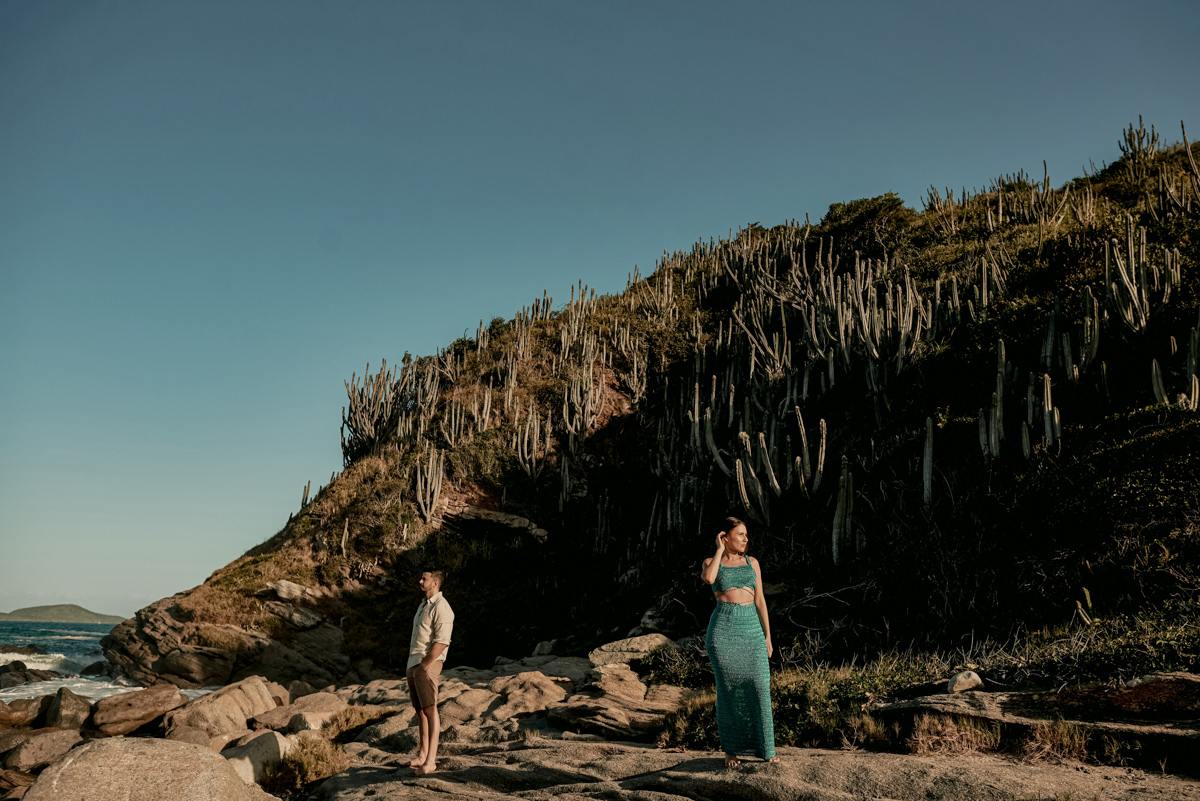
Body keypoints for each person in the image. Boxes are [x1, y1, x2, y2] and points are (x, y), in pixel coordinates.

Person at [700, 516, 778, 767]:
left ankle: (766, 749)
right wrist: (719, 549)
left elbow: (760, 600)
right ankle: (731, 751)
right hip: (723, 631)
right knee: (729, 691)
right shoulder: (711, 562)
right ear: (725, 537)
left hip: (751, 629)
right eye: (740, 534)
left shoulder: (752, 562)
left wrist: (767, 636)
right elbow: (709, 579)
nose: (746, 539)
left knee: (759, 687)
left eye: (746, 534)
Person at [406, 567, 455, 776]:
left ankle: (431, 761)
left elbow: (443, 641)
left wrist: (425, 665)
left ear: (435, 583)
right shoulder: (423, 605)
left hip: (427, 664)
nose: (420, 581)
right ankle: (423, 754)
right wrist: (414, 666)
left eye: (424, 579)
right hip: (414, 662)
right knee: (419, 710)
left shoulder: (442, 607)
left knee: (430, 709)